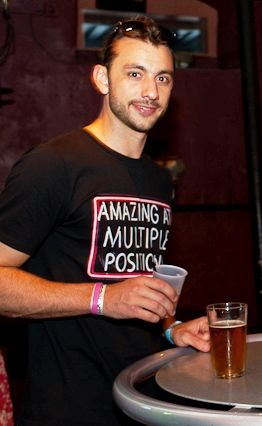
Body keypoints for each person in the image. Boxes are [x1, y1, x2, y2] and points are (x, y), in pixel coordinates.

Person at [0, 16, 210, 425]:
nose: (151, 92)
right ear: (102, 79)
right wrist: (102, 299)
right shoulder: (53, 165)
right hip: (69, 409)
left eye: (163, 78)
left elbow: (131, 284)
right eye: (135, 74)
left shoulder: (158, 179)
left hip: (142, 399)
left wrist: (172, 328)